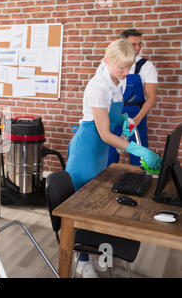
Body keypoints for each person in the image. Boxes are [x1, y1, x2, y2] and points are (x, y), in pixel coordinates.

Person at [65, 39, 162, 278]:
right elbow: (105, 134)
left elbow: (115, 116)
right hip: (86, 151)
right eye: (121, 68)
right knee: (82, 207)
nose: (127, 72)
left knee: (97, 202)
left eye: (129, 67)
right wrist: (139, 151)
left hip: (99, 153)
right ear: (107, 61)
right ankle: (82, 259)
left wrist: (125, 122)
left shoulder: (119, 81)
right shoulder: (97, 86)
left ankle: (96, 250)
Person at [106, 29, 158, 166]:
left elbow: (151, 98)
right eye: (133, 44)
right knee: (108, 158)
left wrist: (136, 120)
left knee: (140, 160)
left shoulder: (146, 67)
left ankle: (137, 185)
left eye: (140, 44)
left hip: (136, 116)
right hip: (114, 115)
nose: (138, 48)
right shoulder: (111, 65)